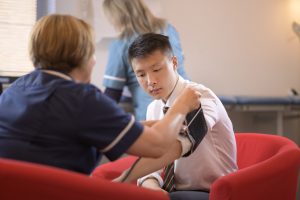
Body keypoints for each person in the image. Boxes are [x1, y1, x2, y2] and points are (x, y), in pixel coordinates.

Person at [0, 14, 202, 175]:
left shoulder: (15, 90)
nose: (95, 61)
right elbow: (157, 145)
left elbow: (65, 129)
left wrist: (141, 127)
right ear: (81, 55)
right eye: (92, 52)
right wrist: (182, 105)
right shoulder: (81, 99)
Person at [126, 33, 238, 200]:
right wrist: (152, 188)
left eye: (156, 69)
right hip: (176, 193)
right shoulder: (154, 108)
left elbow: (187, 139)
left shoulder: (201, 97)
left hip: (215, 193)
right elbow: (150, 167)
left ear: (174, 63)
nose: (150, 81)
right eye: (141, 75)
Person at [102, 0, 189, 120]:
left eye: (157, 69)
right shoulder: (168, 28)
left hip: (153, 120)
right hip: (188, 102)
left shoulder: (121, 43)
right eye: (142, 74)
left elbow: (112, 94)